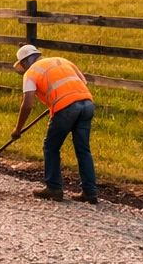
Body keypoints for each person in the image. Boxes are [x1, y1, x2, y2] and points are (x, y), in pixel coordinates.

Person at [12, 44, 97, 202]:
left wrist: (18, 129)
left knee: (51, 147)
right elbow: (82, 82)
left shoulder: (31, 72)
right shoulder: (62, 60)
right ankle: (90, 192)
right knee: (83, 149)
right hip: (87, 104)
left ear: (24, 62)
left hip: (66, 108)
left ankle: (54, 188)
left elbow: (28, 103)